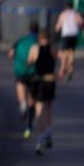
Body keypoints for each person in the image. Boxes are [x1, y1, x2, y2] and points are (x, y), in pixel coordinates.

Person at [26, 27, 58, 155]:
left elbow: (29, 63)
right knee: (49, 107)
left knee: (39, 111)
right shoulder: (53, 48)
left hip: (38, 81)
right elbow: (55, 61)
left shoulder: (34, 49)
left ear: (39, 38)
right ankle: (48, 131)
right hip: (50, 81)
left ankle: (39, 142)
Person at [10, 20, 39, 137]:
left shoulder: (20, 40)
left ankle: (22, 105)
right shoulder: (38, 41)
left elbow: (11, 54)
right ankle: (30, 123)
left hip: (20, 71)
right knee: (32, 97)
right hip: (34, 73)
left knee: (20, 87)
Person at [55, 3, 82, 83]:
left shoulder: (63, 14)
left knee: (65, 53)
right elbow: (81, 22)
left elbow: (57, 27)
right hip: (74, 34)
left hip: (66, 35)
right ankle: (70, 68)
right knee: (72, 52)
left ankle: (64, 70)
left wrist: (56, 31)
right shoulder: (75, 13)